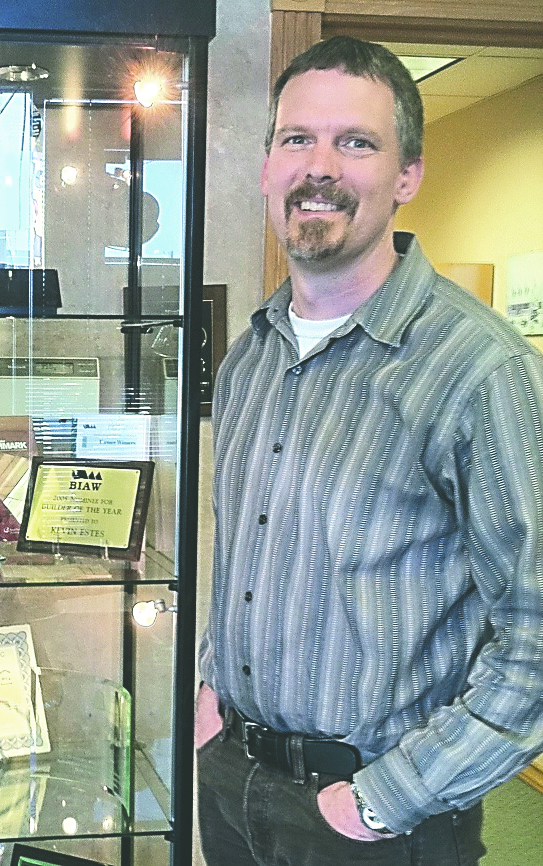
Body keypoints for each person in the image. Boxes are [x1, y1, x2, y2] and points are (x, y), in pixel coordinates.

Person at [196, 35, 543, 866]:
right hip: (231, 780)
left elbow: (534, 635)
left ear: (407, 174)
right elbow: (243, 561)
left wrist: (387, 799)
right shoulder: (249, 356)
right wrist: (210, 693)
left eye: (355, 142)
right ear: (267, 167)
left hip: (373, 815)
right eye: (296, 139)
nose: (318, 167)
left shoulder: (478, 370)